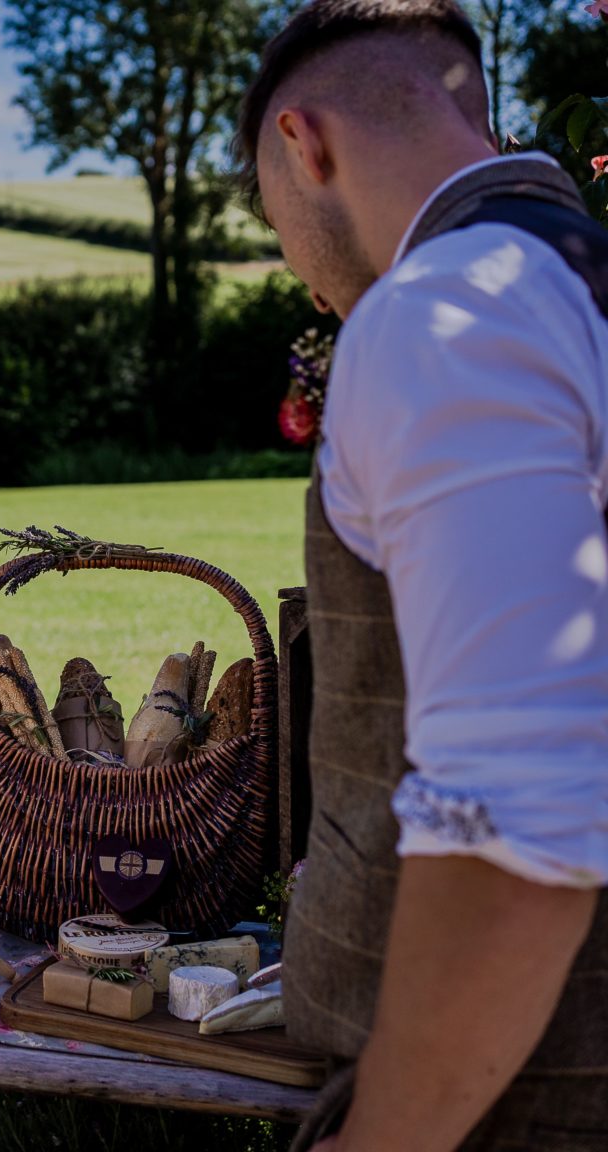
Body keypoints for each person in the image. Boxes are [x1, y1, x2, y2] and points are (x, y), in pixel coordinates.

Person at [236, 3, 608, 1149]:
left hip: (523, 1103)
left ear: (306, 146)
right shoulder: (569, 277)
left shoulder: (448, 305)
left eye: (272, 220)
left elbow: (520, 815)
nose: (302, 278)